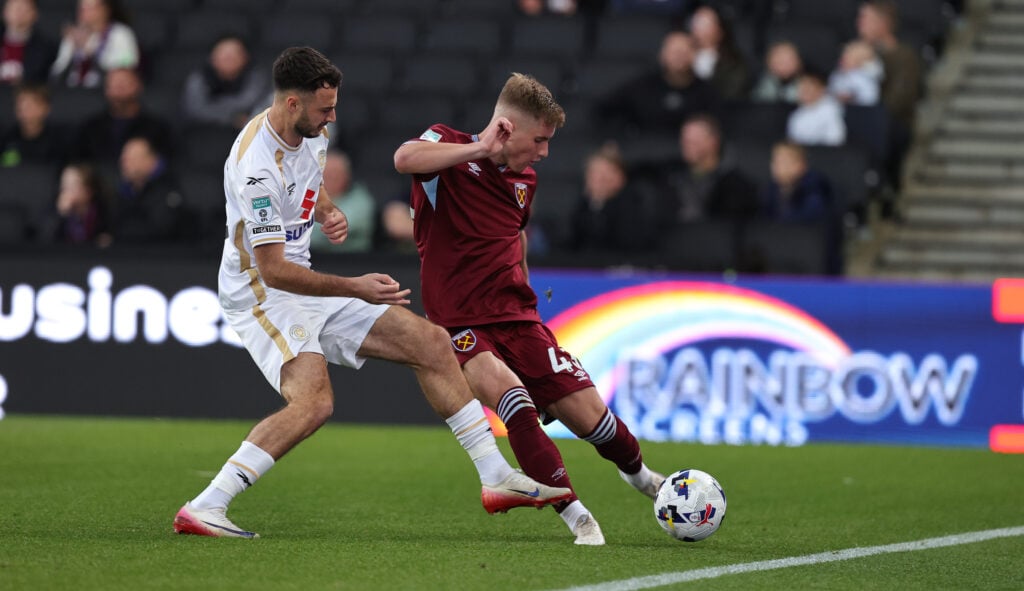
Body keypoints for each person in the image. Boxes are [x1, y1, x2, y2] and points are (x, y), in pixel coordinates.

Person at [172, 47, 571, 540]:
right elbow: (273, 271)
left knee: (431, 343)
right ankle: (206, 505)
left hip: (302, 279)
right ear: (293, 104)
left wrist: (325, 211)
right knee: (313, 404)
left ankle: (495, 477)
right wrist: (355, 287)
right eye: (325, 109)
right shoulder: (255, 166)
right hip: (260, 291)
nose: (333, 117)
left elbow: (305, 184)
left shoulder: (308, 132)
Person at [394, 72, 665, 546]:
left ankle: (640, 475)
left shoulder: (525, 180)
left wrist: (523, 278)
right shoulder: (446, 147)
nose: (543, 152)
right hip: (459, 321)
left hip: (519, 317)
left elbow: (514, 233)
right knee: (511, 396)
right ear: (507, 128)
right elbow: (403, 158)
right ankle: (577, 516)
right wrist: (479, 148)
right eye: (539, 140)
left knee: (593, 419)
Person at [594, 30, 719, 142]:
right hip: (644, 154)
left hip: (688, 156)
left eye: (684, 52)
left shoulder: (707, 91)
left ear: (694, 56)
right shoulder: (642, 86)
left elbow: (718, 126)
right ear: (662, 55)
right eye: (674, 52)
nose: (679, 57)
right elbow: (603, 109)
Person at [653, 113, 759, 224]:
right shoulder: (670, 175)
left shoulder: (736, 186)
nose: (686, 145)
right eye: (684, 139)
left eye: (694, 141)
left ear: (713, 142)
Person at [71, 66, 175, 176]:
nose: (119, 87)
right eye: (114, 83)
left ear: (139, 85)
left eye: (124, 82)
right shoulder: (90, 128)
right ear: (106, 89)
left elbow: (167, 163)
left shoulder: (157, 128)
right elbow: (79, 165)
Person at [564, 143, 657, 255]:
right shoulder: (582, 207)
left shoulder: (631, 207)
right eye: (594, 174)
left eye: (604, 176)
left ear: (620, 178)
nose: (598, 181)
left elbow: (628, 244)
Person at [110, 134, 191, 244]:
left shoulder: (169, 189)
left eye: (131, 158)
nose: (123, 163)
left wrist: (117, 238)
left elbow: (161, 230)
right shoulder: (123, 191)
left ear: (151, 161)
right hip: (129, 255)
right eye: (123, 158)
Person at [181, 34, 268, 131]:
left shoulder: (257, 78)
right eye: (223, 53)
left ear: (246, 57)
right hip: (203, 136)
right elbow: (196, 110)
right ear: (212, 58)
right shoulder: (198, 79)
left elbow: (255, 106)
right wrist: (233, 118)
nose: (229, 58)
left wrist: (214, 106)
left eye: (234, 53)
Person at [50, 0, 138, 88]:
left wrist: (90, 53)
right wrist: (73, 51)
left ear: (105, 10)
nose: (83, 11)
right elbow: (57, 73)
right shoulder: (73, 36)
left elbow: (125, 68)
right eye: (81, 7)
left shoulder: (121, 34)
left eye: (90, 7)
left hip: (104, 91)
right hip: (73, 92)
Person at [309, 149, 376, 253]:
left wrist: (308, 231)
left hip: (352, 258)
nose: (332, 178)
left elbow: (343, 227)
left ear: (347, 176)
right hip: (314, 258)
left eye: (336, 174)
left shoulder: (360, 199)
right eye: (327, 174)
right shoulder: (306, 196)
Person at [688, 4, 751, 101]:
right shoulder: (683, 57)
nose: (699, 28)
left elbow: (733, 92)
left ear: (720, 30)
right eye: (697, 22)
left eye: (706, 24)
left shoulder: (733, 61)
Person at [760, 141, 833, 222]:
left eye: (784, 162)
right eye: (775, 161)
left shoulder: (814, 194)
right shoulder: (770, 190)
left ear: (802, 166)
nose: (777, 167)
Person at [44, 161, 112, 246]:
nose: (66, 191)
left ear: (88, 191)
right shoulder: (54, 212)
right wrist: (60, 214)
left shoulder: (105, 213)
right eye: (64, 185)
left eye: (73, 185)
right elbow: (46, 240)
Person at [0, 83, 66, 167]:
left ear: (45, 108)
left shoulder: (59, 140)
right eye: (20, 104)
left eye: (29, 105)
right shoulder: (7, 137)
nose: (23, 109)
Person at [0, 0, 58, 85]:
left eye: (24, 8)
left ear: (35, 14)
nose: (18, 13)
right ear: (4, 12)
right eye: (14, 7)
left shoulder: (47, 48)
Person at [787, 69, 846, 146]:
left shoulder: (832, 109)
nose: (804, 91)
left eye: (808, 87)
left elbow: (836, 140)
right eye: (801, 88)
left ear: (821, 89)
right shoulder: (797, 114)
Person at [828, 40, 882, 106]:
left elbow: (869, 96)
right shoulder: (838, 74)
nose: (842, 62)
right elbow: (832, 88)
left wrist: (850, 96)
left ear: (860, 63)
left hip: (862, 109)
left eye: (847, 60)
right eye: (842, 58)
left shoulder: (863, 77)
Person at [750, 40, 802, 104]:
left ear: (798, 62)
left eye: (788, 61)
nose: (784, 66)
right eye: (779, 62)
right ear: (768, 63)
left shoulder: (806, 85)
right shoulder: (763, 86)